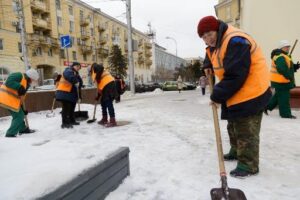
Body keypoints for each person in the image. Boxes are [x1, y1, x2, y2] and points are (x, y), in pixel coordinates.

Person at [197, 16, 272, 178]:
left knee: (246, 129)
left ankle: (248, 165)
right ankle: (236, 151)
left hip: (253, 90)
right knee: (233, 124)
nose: (207, 39)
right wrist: (207, 64)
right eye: (203, 37)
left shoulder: (235, 41)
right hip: (237, 91)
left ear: (217, 29)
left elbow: (236, 74)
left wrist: (216, 95)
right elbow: (211, 53)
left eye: (209, 34)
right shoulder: (216, 43)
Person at [0, 68, 39, 137]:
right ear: (30, 77)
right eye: (33, 79)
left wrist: (22, 108)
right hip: (5, 98)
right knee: (19, 116)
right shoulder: (19, 75)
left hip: (12, 101)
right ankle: (10, 133)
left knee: (20, 114)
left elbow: (21, 97)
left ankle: (22, 129)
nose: (33, 81)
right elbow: (9, 82)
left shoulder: (26, 84)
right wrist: (19, 87)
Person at [265, 40, 299, 119]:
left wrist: (295, 66)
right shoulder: (280, 57)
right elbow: (282, 69)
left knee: (278, 95)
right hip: (281, 81)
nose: (288, 48)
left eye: (288, 47)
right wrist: (289, 76)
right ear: (281, 47)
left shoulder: (284, 56)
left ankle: (266, 107)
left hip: (279, 80)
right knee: (284, 97)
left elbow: (287, 66)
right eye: (286, 47)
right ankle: (285, 114)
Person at [56, 62, 83, 128]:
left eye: (79, 68)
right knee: (66, 109)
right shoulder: (68, 70)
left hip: (71, 94)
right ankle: (64, 123)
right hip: (64, 93)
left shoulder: (76, 73)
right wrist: (76, 81)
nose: (78, 68)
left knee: (71, 108)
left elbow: (79, 84)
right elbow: (69, 77)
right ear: (73, 66)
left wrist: (79, 97)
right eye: (77, 66)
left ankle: (72, 121)